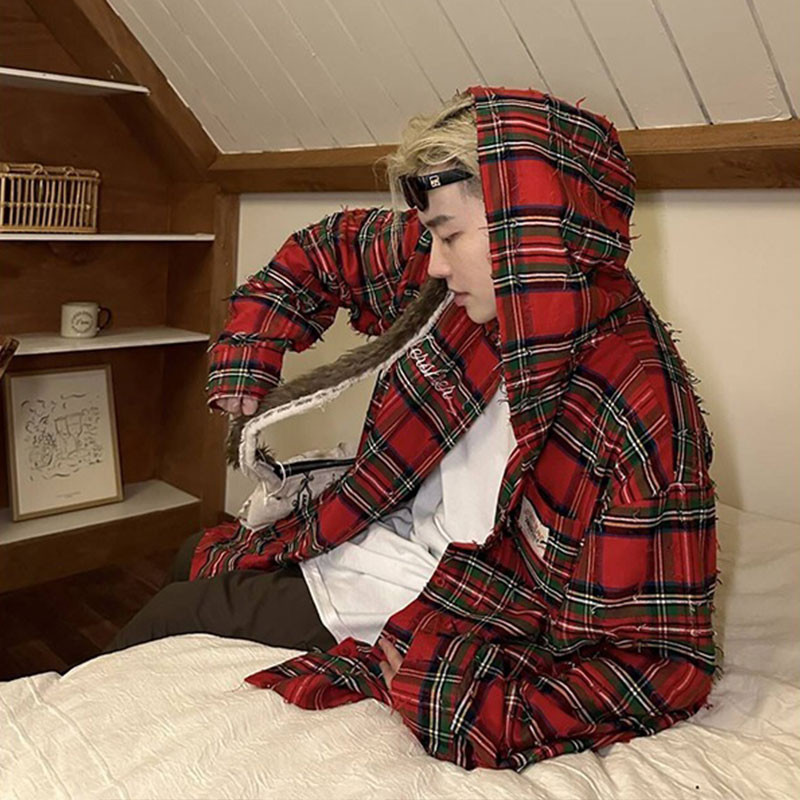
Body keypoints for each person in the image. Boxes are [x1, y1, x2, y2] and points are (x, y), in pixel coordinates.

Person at [106, 85, 719, 772]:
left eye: (450, 236)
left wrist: (458, 702)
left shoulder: (640, 414)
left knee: (176, 613)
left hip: (446, 596)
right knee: (193, 552)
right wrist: (251, 353)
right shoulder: (469, 282)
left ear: (529, 230)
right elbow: (326, 252)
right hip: (383, 527)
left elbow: (661, 667)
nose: (433, 262)